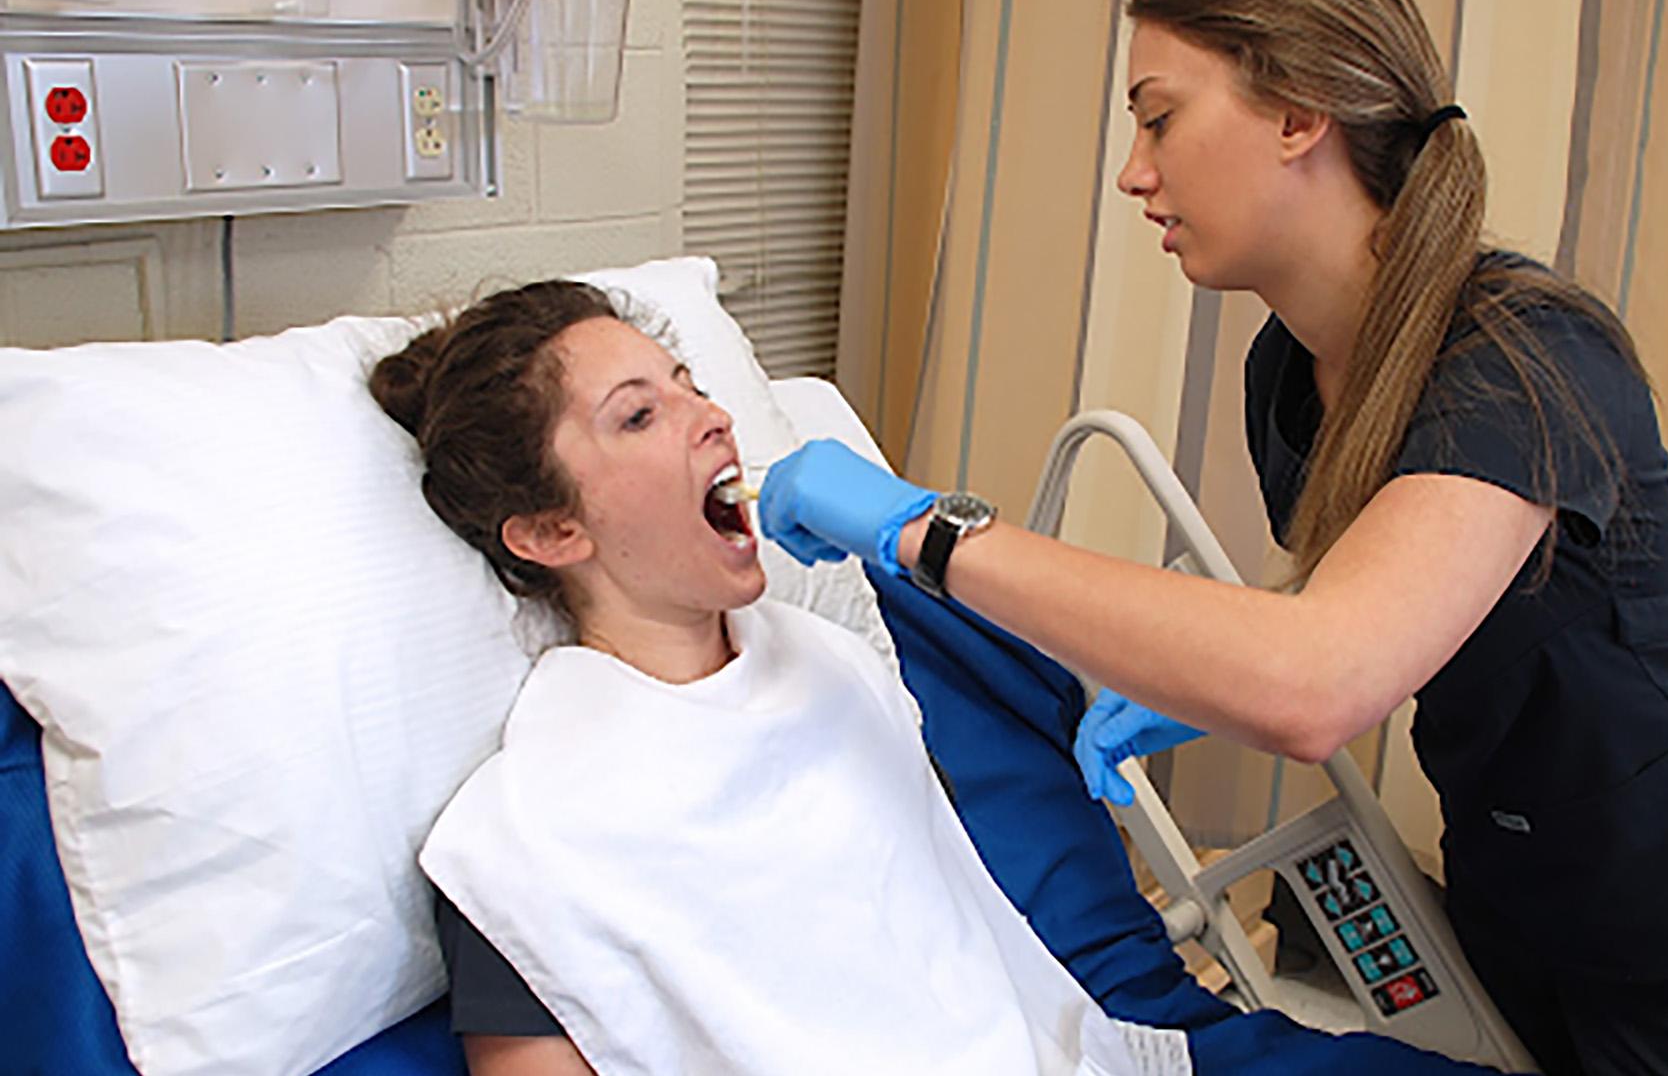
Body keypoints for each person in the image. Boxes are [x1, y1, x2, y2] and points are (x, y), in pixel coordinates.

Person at [757, 0, 1668, 1074]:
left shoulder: (1521, 362)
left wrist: (929, 533)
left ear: (1299, 115)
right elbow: (1388, 589)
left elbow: (1318, 685)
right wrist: (1210, 671)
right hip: (1522, 867)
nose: (1135, 172)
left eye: (1160, 118)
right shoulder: (1289, 372)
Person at [369, 281, 1214, 1076]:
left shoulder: (836, 666)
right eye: (638, 416)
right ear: (552, 532)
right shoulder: (524, 838)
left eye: (690, 384)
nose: (712, 418)